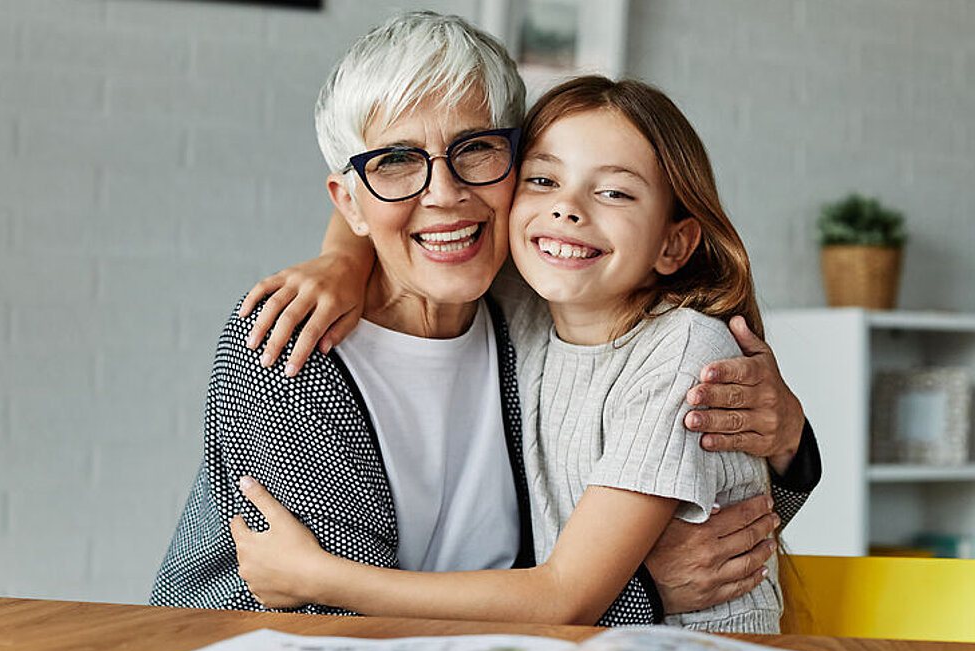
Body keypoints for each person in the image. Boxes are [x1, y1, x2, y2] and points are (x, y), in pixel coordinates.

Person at [151, 12, 819, 619]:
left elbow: (714, 519)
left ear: (514, 162)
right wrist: (642, 594)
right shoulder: (290, 347)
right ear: (350, 200)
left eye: (476, 148)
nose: (444, 194)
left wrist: (786, 440)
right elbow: (337, 625)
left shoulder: (528, 302)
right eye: (396, 161)